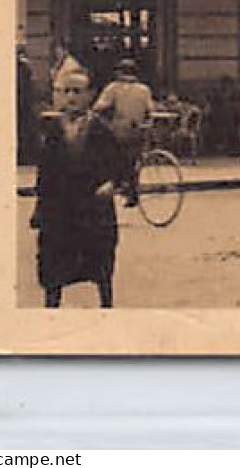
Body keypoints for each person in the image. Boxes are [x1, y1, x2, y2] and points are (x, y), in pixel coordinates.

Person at [32, 68, 125, 308]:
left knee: (100, 262)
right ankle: (51, 311)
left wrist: (112, 184)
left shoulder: (100, 129)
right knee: (53, 263)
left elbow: (120, 164)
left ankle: (106, 307)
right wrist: (39, 209)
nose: (71, 97)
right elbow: (45, 172)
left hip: (92, 208)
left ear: (90, 95)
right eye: (66, 92)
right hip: (60, 209)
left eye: (77, 91)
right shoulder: (53, 130)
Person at [92, 57, 154, 207]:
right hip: (138, 132)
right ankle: (131, 191)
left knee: (110, 157)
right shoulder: (144, 89)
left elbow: (98, 107)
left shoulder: (114, 88)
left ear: (120, 73)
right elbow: (151, 110)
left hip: (118, 132)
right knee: (132, 161)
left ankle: (116, 182)